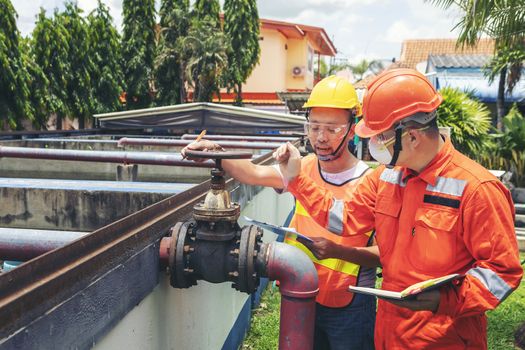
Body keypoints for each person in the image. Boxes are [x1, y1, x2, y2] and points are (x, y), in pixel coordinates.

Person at [274, 68, 523, 349]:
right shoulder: (388, 177)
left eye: (380, 136)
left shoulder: (477, 189)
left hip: (444, 338)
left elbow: (502, 272)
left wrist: (446, 299)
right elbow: (342, 219)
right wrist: (296, 179)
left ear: (413, 137)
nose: (372, 144)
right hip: (390, 333)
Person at [183, 75, 377, 350]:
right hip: (303, 294)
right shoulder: (304, 167)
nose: (321, 137)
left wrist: (336, 251)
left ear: (352, 129)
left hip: (349, 304)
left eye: (332, 129)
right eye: (314, 127)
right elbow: (252, 173)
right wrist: (217, 152)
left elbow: (381, 252)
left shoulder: (368, 180)